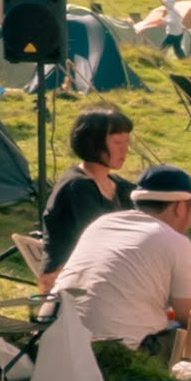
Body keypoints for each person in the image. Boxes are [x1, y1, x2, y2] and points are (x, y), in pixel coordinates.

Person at [53, 165, 191, 381]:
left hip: (55, 344)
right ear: (180, 207)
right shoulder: (176, 242)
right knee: (190, 337)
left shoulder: (101, 224)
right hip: (114, 354)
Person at [41, 110, 136, 273]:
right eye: (117, 142)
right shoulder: (77, 187)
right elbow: (100, 238)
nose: (125, 149)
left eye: (127, 141)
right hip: (70, 274)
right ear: (94, 144)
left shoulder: (117, 185)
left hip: (105, 270)